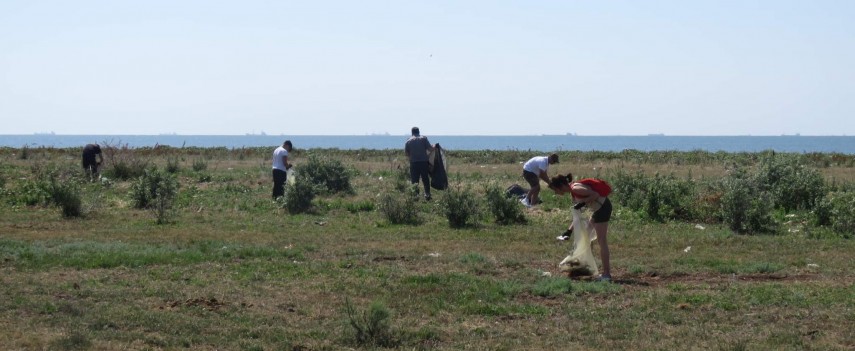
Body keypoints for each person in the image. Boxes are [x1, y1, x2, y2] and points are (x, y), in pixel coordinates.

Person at [549, 173, 613, 282]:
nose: (556, 193)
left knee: (602, 241)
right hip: (597, 209)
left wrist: (582, 203)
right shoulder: (573, 192)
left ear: (560, 186)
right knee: (585, 235)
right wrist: (569, 231)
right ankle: (584, 265)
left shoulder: (576, 189)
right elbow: (578, 216)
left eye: (555, 190)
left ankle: (607, 274)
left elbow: (595, 195)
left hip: (602, 208)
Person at [404, 127, 435, 200]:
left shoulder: (408, 141)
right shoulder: (424, 139)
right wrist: (434, 146)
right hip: (423, 163)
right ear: (419, 132)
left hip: (413, 163)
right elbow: (430, 149)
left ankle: (416, 196)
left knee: (414, 180)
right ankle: (427, 194)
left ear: (412, 132)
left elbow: (406, 153)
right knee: (425, 179)